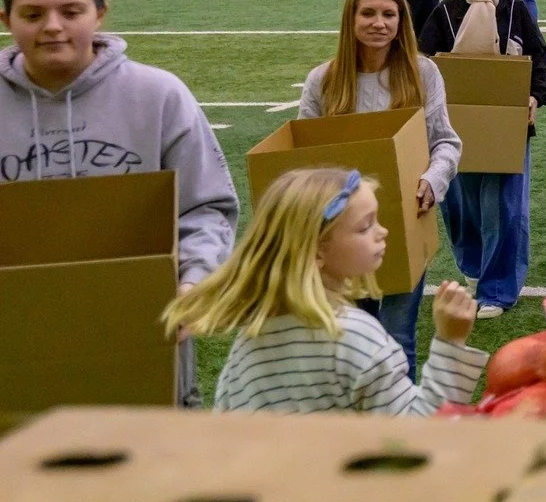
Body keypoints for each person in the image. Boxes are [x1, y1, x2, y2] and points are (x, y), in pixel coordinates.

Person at [2, 0, 239, 405]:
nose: (52, 27)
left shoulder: (159, 96)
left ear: (100, 13)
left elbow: (207, 207)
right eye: (33, 14)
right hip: (17, 345)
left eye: (71, 12)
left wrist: (194, 281)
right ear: (6, 19)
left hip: (143, 341)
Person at [166, 169, 484, 414]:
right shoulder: (355, 339)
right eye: (365, 226)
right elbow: (420, 432)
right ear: (317, 250)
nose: (383, 231)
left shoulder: (250, 340)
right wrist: (451, 342)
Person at [298, 0, 461, 373]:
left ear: (401, 21)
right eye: (368, 13)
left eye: (389, 14)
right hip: (342, 231)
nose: (378, 23)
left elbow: (446, 142)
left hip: (403, 221)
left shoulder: (422, 72)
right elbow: (303, 156)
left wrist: (433, 180)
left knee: (397, 336)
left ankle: (399, 410)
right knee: (349, 337)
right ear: (350, 19)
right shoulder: (323, 80)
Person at [418, 0, 546, 319]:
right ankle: (475, 265)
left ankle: (497, 290)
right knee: (462, 207)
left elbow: (539, 59)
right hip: (454, 127)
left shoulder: (514, 9)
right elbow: (422, 65)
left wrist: (535, 96)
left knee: (505, 209)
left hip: (507, 124)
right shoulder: (444, 12)